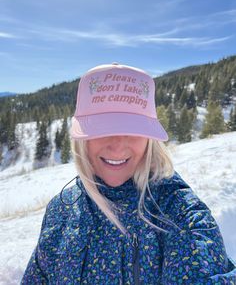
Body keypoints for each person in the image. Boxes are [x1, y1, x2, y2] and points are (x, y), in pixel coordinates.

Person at [21, 63, 236, 284]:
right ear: (82, 138)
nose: (117, 146)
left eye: (133, 130)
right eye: (102, 128)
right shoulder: (60, 209)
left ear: (149, 139)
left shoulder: (179, 214)